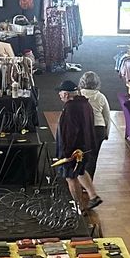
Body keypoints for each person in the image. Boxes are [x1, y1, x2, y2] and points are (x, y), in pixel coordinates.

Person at [55, 78, 98, 211]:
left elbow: (69, 132)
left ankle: (78, 208)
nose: (59, 95)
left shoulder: (70, 108)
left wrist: (66, 154)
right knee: (81, 171)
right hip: (85, 147)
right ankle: (93, 195)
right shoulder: (85, 104)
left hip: (73, 150)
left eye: (60, 93)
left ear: (67, 94)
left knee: (70, 177)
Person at [77, 71, 111, 200]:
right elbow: (107, 116)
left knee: (81, 154)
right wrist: (106, 133)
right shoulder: (101, 96)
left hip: (83, 129)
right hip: (98, 129)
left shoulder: (79, 95)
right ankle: (88, 183)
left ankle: (80, 179)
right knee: (93, 157)